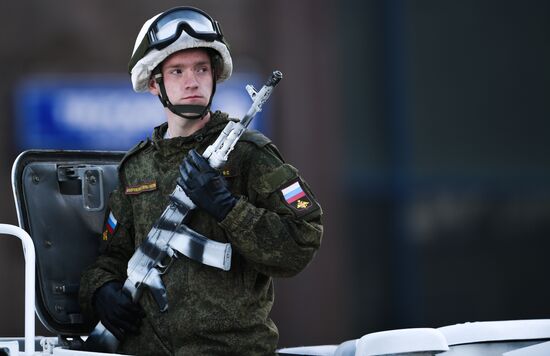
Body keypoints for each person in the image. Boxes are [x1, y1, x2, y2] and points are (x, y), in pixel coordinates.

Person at [79, 6, 323, 356]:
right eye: (177, 71)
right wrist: (102, 291)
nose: (192, 81)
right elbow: (111, 258)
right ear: (154, 83)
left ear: (214, 75)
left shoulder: (249, 154)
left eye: (201, 69)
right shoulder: (137, 167)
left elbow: (301, 241)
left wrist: (227, 207)